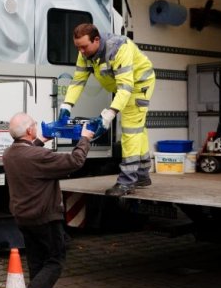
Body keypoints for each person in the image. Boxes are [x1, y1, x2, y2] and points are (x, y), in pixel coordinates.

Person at [2, 112, 93, 288]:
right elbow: (75, 161)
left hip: (23, 218)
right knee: (55, 260)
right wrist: (85, 138)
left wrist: (40, 140)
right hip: (44, 218)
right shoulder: (38, 156)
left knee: (37, 262)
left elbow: (28, 153)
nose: (36, 126)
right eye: (34, 124)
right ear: (29, 130)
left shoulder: (9, 154)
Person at [59, 23, 156, 196]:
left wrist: (108, 114)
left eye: (84, 47)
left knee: (130, 129)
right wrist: (67, 105)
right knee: (137, 129)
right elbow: (78, 80)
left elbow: (125, 87)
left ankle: (127, 181)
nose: (81, 51)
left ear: (96, 40)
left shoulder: (119, 48)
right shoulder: (85, 53)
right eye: (77, 47)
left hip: (139, 85)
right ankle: (142, 174)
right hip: (124, 87)